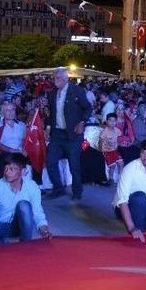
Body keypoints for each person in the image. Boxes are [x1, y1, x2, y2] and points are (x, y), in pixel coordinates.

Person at [0, 153, 52, 246]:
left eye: (12, 169)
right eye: (6, 168)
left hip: (19, 226)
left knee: (24, 205)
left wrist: (44, 232)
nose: (7, 172)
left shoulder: (32, 186)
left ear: (23, 171)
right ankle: (8, 243)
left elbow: (38, 213)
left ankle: (25, 244)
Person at [45, 67, 92, 200]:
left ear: (66, 78)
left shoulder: (76, 91)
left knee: (74, 165)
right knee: (50, 161)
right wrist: (48, 127)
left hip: (73, 135)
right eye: (54, 78)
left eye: (58, 78)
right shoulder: (52, 93)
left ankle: (77, 191)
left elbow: (87, 108)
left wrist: (82, 122)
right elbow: (51, 114)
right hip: (57, 135)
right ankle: (58, 188)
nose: (55, 80)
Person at [98, 113, 124, 186]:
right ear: (107, 121)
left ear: (116, 121)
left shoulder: (117, 130)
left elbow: (119, 138)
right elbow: (100, 141)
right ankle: (111, 179)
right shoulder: (104, 132)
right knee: (112, 166)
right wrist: (101, 150)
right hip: (107, 151)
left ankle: (121, 179)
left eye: (114, 121)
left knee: (121, 163)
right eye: (110, 121)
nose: (112, 123)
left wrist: (120, 143)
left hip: (115, 150)